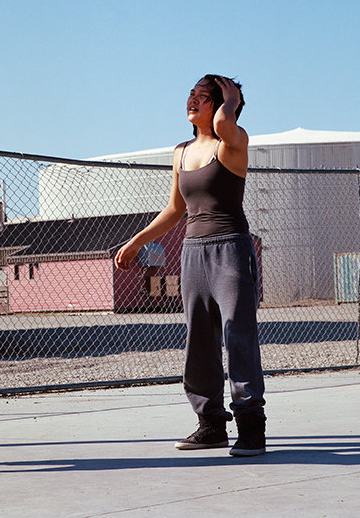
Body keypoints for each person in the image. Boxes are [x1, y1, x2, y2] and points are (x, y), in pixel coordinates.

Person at [115, 74, 266, 456]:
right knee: (199, 341)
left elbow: (222, 126)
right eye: (191, 95)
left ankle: (251, 428)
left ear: (223, 105)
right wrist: (136, 242)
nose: (192, 101)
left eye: (204, 97)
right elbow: (175, 209)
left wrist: (230, 101)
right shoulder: (181, 151)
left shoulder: (234, 142)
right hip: (193, 251)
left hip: (230, 248)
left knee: (238, 337)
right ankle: (211, 424)